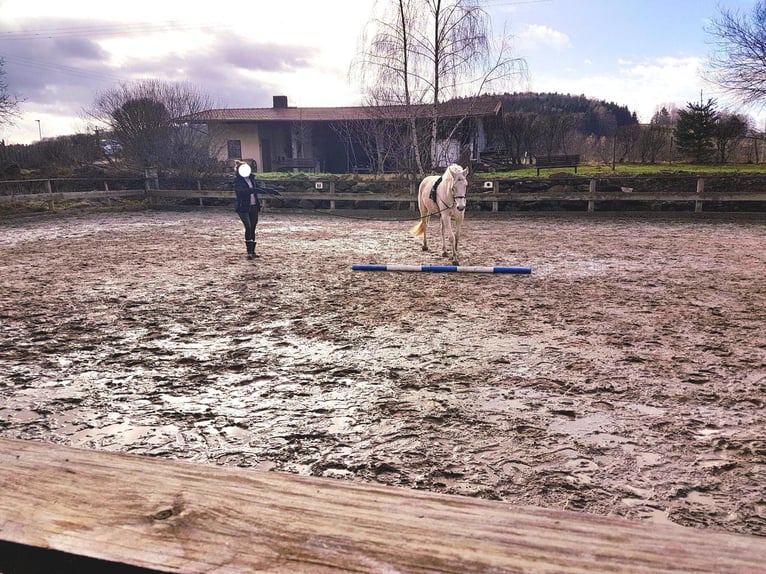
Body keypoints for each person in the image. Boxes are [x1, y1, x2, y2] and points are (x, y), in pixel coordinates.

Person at [233, 160, 280, 259]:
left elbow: (259, 189)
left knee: (253, 227)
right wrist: (254, 190)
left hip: (254, 206)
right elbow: (242, 192)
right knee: (248, 227)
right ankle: (249, 252)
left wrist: (272, 191)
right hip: (243, 207)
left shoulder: (252, 179)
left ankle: (253, 251)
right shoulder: (237, 182)